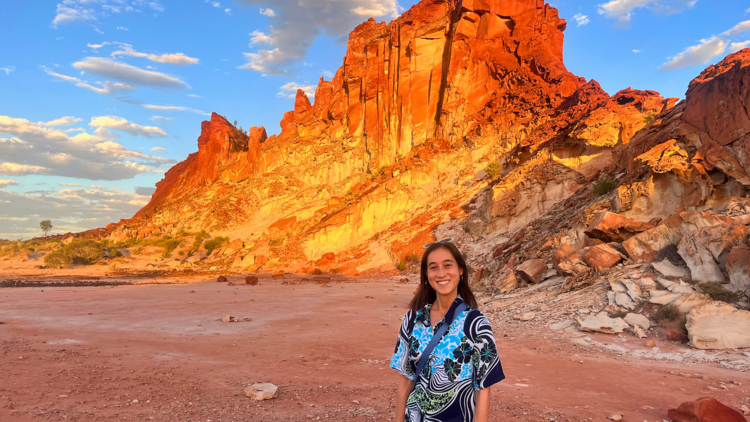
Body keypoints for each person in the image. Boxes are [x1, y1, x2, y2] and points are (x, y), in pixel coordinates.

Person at [390, 239, 505, 422]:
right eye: (433, 267)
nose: (441, 273)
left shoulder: (476, 324)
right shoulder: (413, 320)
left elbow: (482, 387)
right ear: (427, 274)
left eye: (447, 265)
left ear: (460, 270)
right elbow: (406, 379)